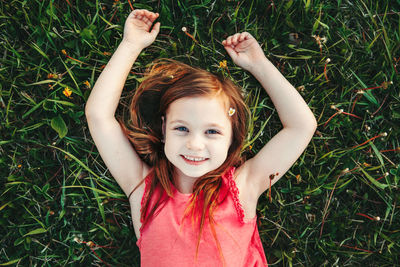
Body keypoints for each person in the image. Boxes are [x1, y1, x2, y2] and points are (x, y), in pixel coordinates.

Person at [85, 9, 317, 267]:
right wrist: (130, 45)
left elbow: (301, 126)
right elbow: (98, 116)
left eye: (212, 132)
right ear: (164, 130)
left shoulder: (241, 188)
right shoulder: (144, 191)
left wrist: (258, 64)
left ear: (232, 138)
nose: (194, 144)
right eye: (181, 129)